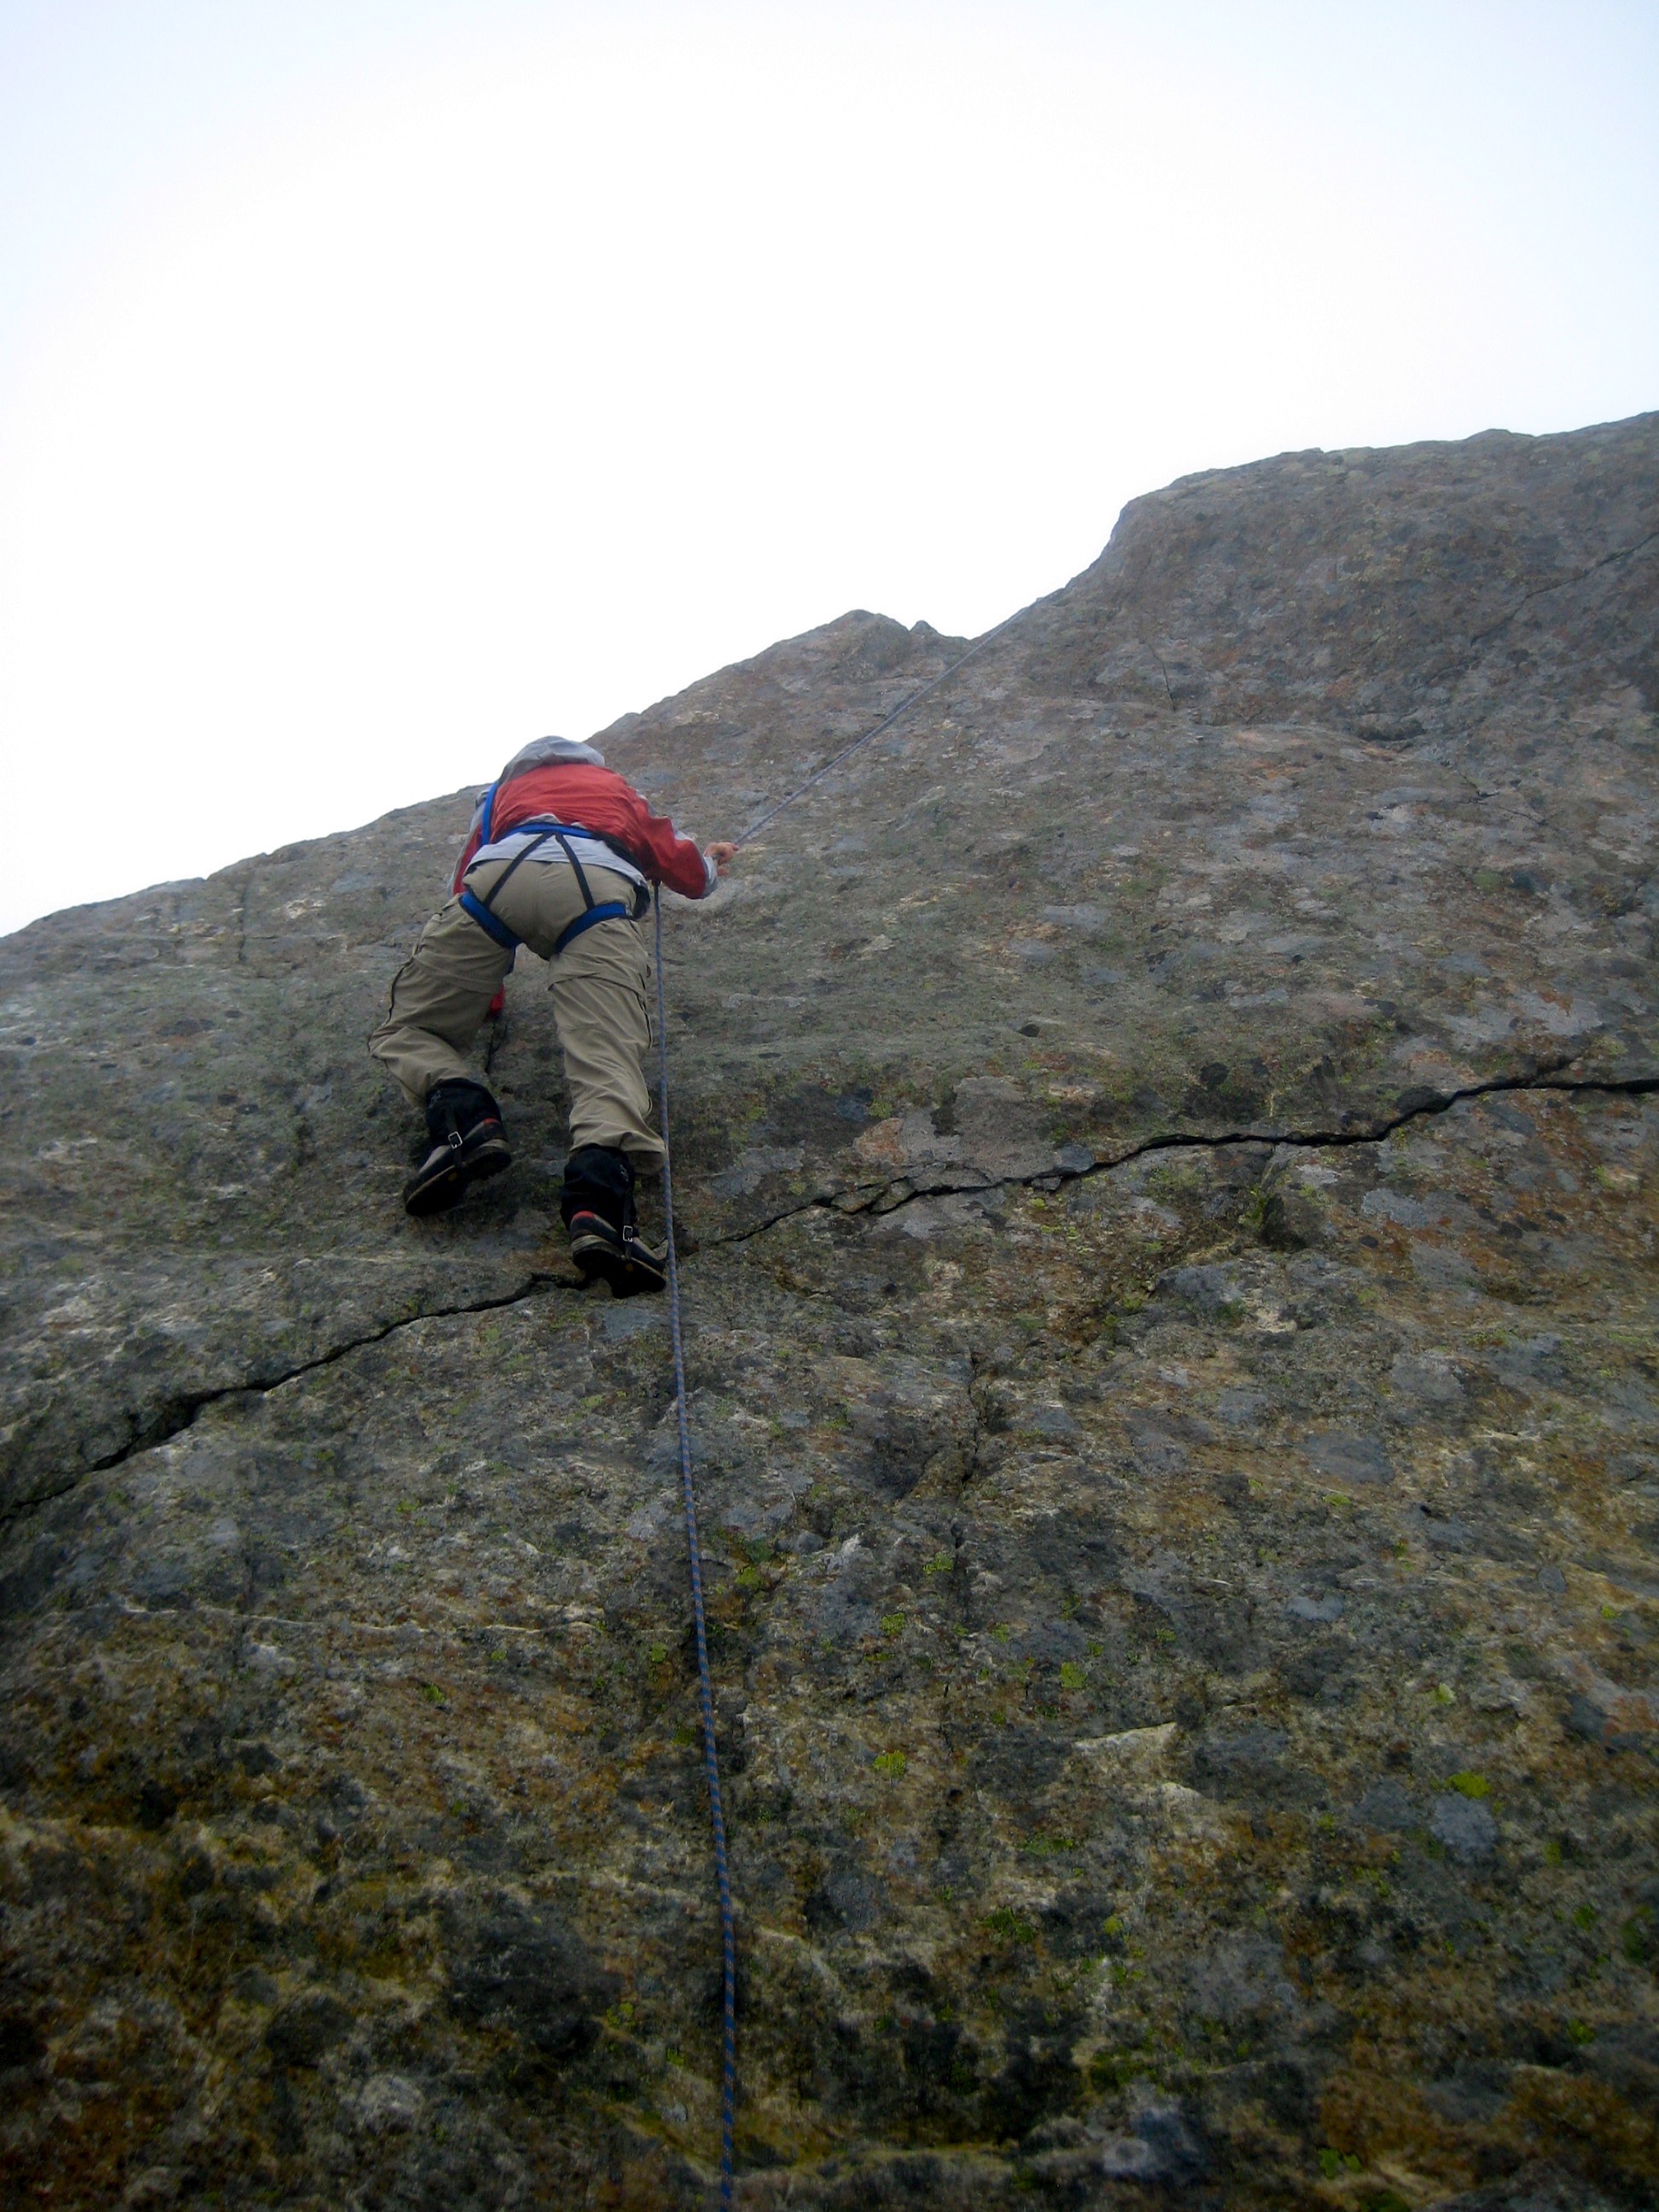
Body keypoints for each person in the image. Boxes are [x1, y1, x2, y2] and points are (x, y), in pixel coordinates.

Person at [369, 735, 735, 1295]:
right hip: (595, 887)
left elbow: (462, 876)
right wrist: (711, 867)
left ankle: (465, 1119)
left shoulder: (499, 796)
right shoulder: (613, 788)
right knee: (606, 1060)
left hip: (500, 875)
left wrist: (486, 997)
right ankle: (600, 1213)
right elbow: (676, 859)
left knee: (409, 1027)